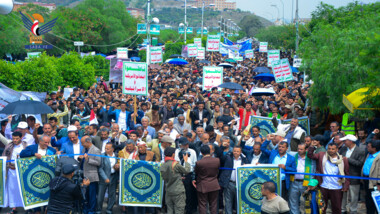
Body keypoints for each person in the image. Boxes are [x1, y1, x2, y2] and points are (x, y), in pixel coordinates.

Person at [307, 142, 349, 214]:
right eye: (329, 148)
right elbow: (310, 155)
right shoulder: (321, 155)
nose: (330, 150)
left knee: (336, 208)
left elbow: (346, 173)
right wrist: (312, 147)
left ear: (337, 150)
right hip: (323, 186)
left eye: (333, 149)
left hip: (336, 187)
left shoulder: (343, 159)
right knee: (321, 207)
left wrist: (346, 185)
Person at [261, 136, 296, 201]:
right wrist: (267, 140)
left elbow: (294, 170)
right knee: (270, 198)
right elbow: (262, 148)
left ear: (287, 148)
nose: (280, 148)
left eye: (283, 147)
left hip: (283, 182)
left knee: (282, 199)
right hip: (271, 181)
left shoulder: (291, 158)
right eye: (279, 147)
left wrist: (285, 167)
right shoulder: (273, 153)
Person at [3, 132, 28, 214]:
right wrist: (7, 165)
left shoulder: (25, 146)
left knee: (24, 189)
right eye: (13, 138)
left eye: (17, 138)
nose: (15, 140)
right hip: (11, 170)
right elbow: (5, 156)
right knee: (12, 189)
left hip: (22, 171)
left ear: (21, 138)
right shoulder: (9, 145)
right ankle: (14, 208)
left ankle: (27, 208)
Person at [340, 134, 365, 214]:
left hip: (354, 177)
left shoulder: (360, 151)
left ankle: (353, 210)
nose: (344, 142)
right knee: (343, 194)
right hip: (343, 176)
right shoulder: (344, 149)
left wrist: (348, 160)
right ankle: (343, 209)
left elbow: (360, 163)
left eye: (345, 141)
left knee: (354, 195)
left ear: (350, 141)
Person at [160, 147, 190, 214]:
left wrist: (178, 177)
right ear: (173, 154)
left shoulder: (163, 165)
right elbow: (187, 171)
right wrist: (186, 161)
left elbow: (167, 177)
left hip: (168, 191)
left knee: (170, 210)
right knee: (179, 209)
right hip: (178, 191)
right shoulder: (175, 164)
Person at [220, 146, 249, 214]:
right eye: (234, 151)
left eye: (237, 151)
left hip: (240, 184)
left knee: (239, 201)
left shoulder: (244, 159)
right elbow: (221, 158)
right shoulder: (228, 157)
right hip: (229, 183)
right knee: (228, 201)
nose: (235, 152)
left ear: (240, 152)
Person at [192, 145, 220, 214]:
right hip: (214, 184)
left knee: (202, 205)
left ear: (201, 152)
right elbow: (217, 171)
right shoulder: (217, 160)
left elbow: (196, 173)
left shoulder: (199, 163)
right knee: (213, 204)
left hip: (203, 185)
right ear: (210, 151)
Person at [174, 137, 198, 214]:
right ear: (180, 145)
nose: (187, 145)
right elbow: (176, 164)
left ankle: (189, 210)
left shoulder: (192, 151)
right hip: (180, 174)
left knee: (189, 194)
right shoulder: (177, 151)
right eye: (185, 144)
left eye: (187, 144)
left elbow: (195, 164)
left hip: (189, 175)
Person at [288, 143, 313, 214]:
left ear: (306, 150)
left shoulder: (310, 158)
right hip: (294, 182)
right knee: (293, 200)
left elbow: (313, 171)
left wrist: (311, 183)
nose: (299, 150)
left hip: (305, 183)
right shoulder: (294, 156)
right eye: (298, 149)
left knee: (306, 201)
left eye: (301, 149)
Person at [80, 135, 101, 214]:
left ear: (88, 142)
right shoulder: (84, 149)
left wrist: (88, 159)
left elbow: (98, 162)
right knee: (85, 195)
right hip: (84, 175)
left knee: (92, 196)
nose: (82, 144)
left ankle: (92, 210)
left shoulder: (96, 150)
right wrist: (81, 158)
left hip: (92, 176)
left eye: (83, 143)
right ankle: (85, 209)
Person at [97, 143, 118, 214]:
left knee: (112, 194)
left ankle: (109, 209)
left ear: (113, 149)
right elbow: (100, 168)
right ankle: (98, 209)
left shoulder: (117, 156)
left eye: (108, 148)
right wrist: (105, 177)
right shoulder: (102, 156)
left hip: (113, 177)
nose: (106, 150)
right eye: (105, 148)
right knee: (100, 195)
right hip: (104, 178)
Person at [362, 140, 380, 214]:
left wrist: (379, 183)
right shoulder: (368, 155)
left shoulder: (378, 157)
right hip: (367, 181)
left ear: (374, 148)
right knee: (369, 201)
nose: (367, 148)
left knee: (376, 201)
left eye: (369, 146)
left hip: (375, 183)